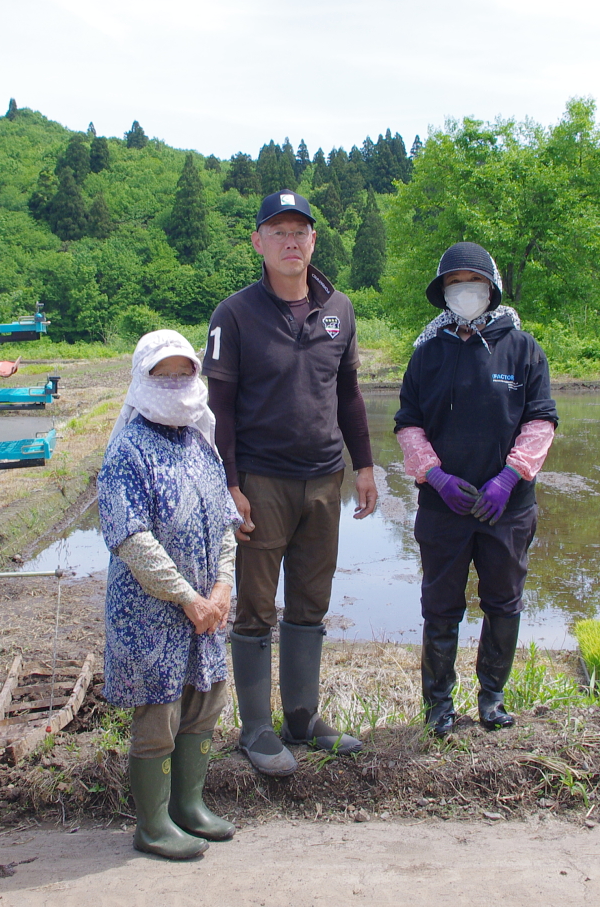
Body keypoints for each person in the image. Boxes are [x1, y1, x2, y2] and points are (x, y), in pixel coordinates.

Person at [203, 189, 378, 776]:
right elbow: (219, 407)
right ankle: (256, 729)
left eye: (299, 231)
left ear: (313, 240)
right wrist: (229, 484)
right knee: (254, 607)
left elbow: (349, 394)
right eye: (277, 232)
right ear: (258, 242)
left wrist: (366, 466)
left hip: (324, 478)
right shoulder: (235, 314)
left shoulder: (340, 310)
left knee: (310, 601)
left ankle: (302, 719)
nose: (290, 241)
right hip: (261, 481)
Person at [393, 242, 558, 735]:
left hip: (505, 509)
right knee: (440, 605)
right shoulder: (427, 354)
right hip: (444, 509)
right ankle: (439, 707)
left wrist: (510, 478)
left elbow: (541, 419)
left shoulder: (523, 348)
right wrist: (436, 477)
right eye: (454, 283)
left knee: (503, 601)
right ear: (444, 292)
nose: (465, 291)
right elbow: (408, 424)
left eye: (473, 282)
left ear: (491, 288)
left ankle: (492, 698)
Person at [98, 329, 240, 860]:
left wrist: (222, 588)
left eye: (186, 372)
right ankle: (152, 824)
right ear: (142, 379)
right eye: (165, 373)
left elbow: (225, 523)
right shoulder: (128, 449)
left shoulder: (200, 440)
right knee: (159, 715)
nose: (178, 382)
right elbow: (132, 538)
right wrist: (187, 598)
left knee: (205, 703)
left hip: (206, 608)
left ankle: (189, 807)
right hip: (151, 611)